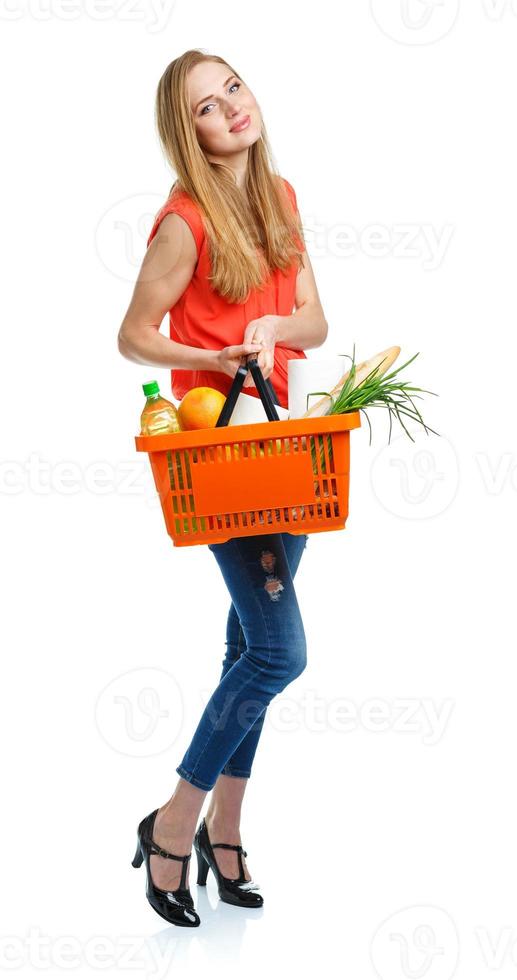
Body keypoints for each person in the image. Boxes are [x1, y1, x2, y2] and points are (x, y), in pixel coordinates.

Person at [118, 49, 328, 928]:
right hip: (218, 459)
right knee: (280, 654)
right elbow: (132, 336)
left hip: (284, 448)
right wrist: (211, 355)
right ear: (189, 133)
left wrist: (276, 325)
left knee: (247, 648)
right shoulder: (183, 223)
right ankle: (174, 823)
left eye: (233, 87)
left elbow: (315, 320)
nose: (231, 108)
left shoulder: (278, 198)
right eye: (207, 106)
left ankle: (226, 831)